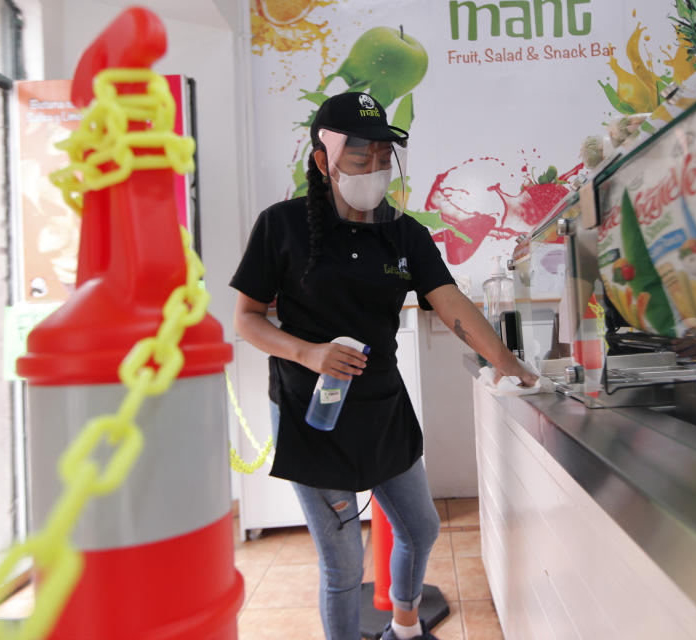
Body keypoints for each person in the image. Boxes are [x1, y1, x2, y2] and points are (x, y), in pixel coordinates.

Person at [230, 91, 536, 640]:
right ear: (323, 160)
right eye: (358, 156)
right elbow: (247, 319)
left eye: (382, 157)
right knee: (343, 564)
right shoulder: (280, 226)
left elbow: (450, 301)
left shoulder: (404, 233)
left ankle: (405, 624)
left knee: (419, 528)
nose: (373, 169)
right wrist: (309, 353)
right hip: (311, 412)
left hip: (382, 406)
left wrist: (507, 362)